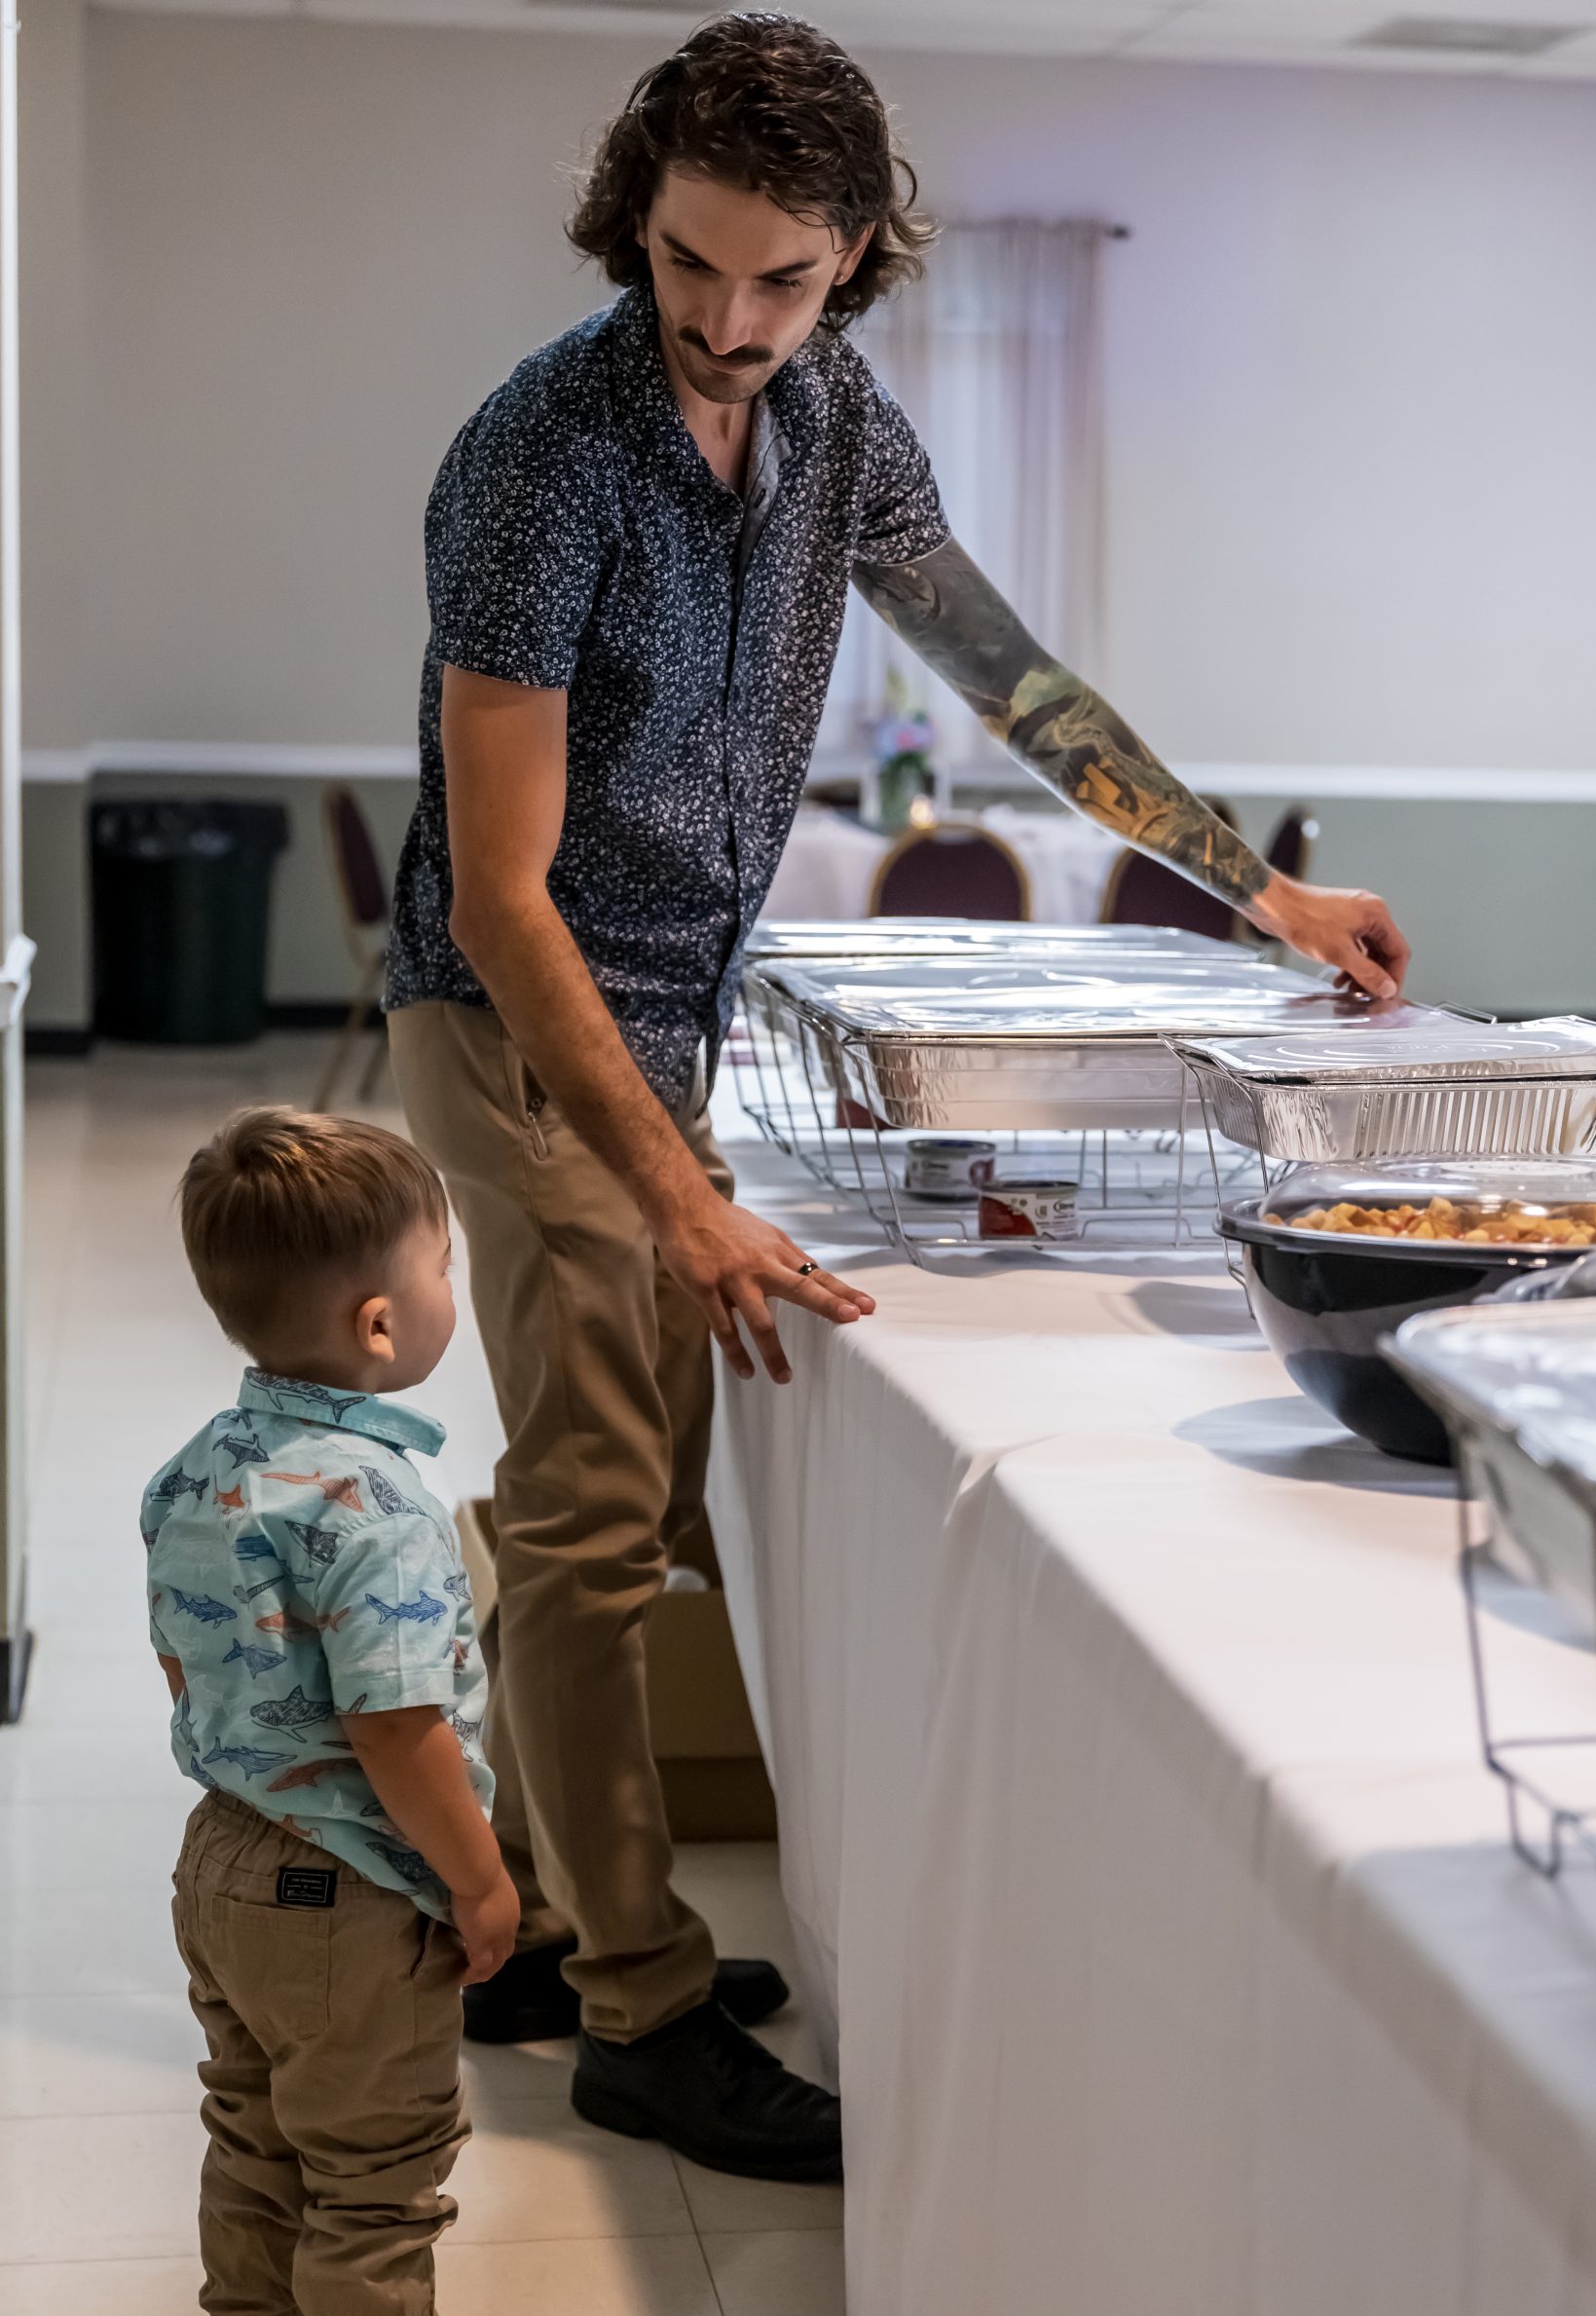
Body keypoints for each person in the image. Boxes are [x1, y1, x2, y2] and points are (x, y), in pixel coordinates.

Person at [385, 11, 1412, 2183]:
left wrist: (1264, 890)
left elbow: (1020, 689)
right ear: (634, 220)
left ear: (854, 254)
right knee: (592, 1510)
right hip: (519, 1018)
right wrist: (677, 1192)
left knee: (629, 1493)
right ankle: (635, 2010)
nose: (728, 319)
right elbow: (497, 893)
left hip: (677, 1010)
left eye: (782, 276)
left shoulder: (838, 419)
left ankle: (535, 1922)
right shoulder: (540, 456)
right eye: (689, 263)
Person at [147, 1107, 559, 2316]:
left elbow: (189, 1660)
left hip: (219, 1860)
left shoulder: (198, 1466)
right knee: (376, 2175)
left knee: (253, 2127)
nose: (451, 1287)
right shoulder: (375, 1505)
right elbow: (395, 1728)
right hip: (351, 1890)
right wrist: (482, 1879)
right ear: (382, 1325)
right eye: (444, 1264)